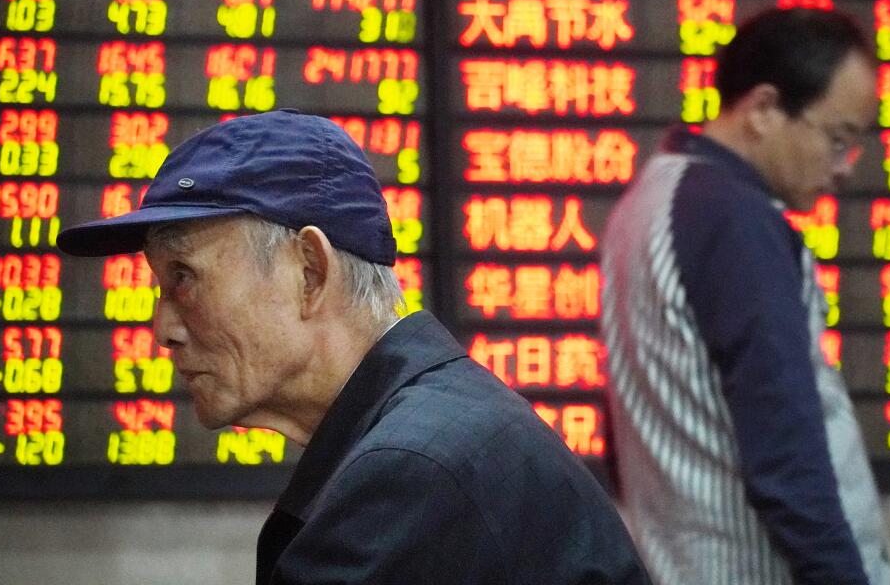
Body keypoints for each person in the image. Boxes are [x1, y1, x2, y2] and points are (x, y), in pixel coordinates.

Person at [58, 109, 651, 585]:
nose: (163, 328)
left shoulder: (410, 473)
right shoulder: (429, 426)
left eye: (182, 276)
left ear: (310, 271)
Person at [600, 8, 890, 585]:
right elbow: (786, 450)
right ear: (763, 109)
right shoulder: (735, 221)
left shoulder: (651, 197)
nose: (844, 169)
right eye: (838, 140)